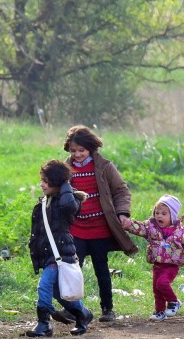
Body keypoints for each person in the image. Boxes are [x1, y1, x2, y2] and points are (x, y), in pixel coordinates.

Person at [56, 125, 138, 324]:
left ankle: (107, 309)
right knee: (74, 268)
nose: (77, 154)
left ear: (91, 149)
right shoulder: (65, 170)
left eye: (81, 150)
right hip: (76, 228)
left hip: (100, 228)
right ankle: (73, 309)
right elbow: (56, 191)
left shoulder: (104, 167)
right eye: (73, 151)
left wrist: (122, 213)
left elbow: (121, 190)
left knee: (102, 269)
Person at [26, 160, 93, 337]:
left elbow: (69, 206)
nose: (42, 184)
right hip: (50, 254)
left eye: (47, 180)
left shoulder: (68, 202)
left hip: (61, 254)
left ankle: (43, 323)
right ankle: (82, 314)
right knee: (59, 293)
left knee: (44, 285)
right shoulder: (46, 201)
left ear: (57, 182)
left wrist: (65, 185)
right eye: (42, 180)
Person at [122, 194, 184, 320]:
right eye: (157, 212)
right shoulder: (151, 227)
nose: (159, 215)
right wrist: (128, 225)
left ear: (173, 215)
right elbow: (140, 228)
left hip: (171, 265)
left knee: (162, 283)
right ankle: (159, 311)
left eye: (164, 213)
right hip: (157, 264)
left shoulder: (181, 231)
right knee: (156, 289)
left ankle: (174, 302)